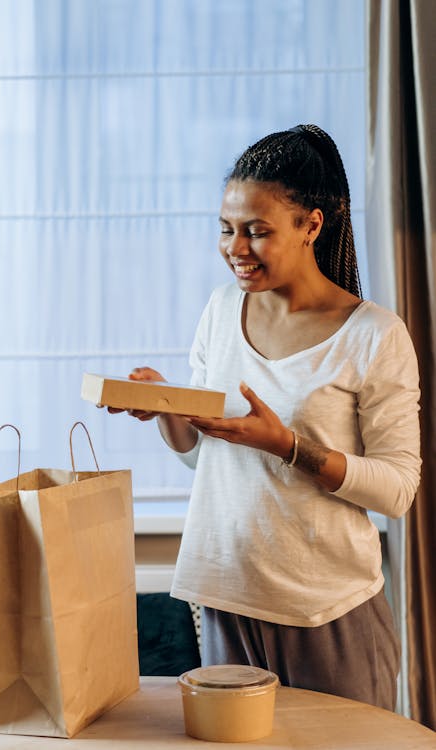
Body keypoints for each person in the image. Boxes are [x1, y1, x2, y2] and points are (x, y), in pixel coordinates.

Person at [107, 124, 421, 710]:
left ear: (311, 226)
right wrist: (165, 406)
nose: (236, 248)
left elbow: (398, 490)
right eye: (226, 230)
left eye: (257, 231)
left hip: (325, 611)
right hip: (227, 594)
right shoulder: (222, 309)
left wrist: (289, 446)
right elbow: (208, 457)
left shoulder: (375, 335)